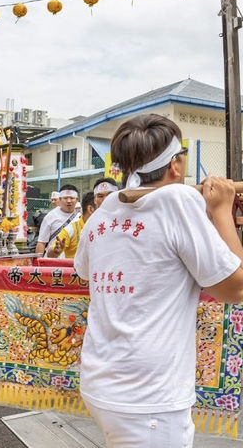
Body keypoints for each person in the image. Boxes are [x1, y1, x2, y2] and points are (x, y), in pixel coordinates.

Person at [74, 114, 243, 447]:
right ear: (175, 166)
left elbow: (83, 271)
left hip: (101, 382)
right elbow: (235, 287)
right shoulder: (178, 201)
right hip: (148, 397)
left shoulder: (105, 209)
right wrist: (223, 210)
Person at [46, 191, 94, 259]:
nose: (69, 201)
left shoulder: (106, 228)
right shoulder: (70, 230)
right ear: (91, 209)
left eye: (71, 198)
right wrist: (56, 251)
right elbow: (50, 253)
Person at [35, 184, 79, 256]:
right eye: (65, 198)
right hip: (53, 261)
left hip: (72, 262)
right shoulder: (50, 216)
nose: (68, 201)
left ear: (77, 199)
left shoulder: (80, 217)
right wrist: (39, 263)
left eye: (72, 198)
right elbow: (41, 242)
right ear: (60, 199)